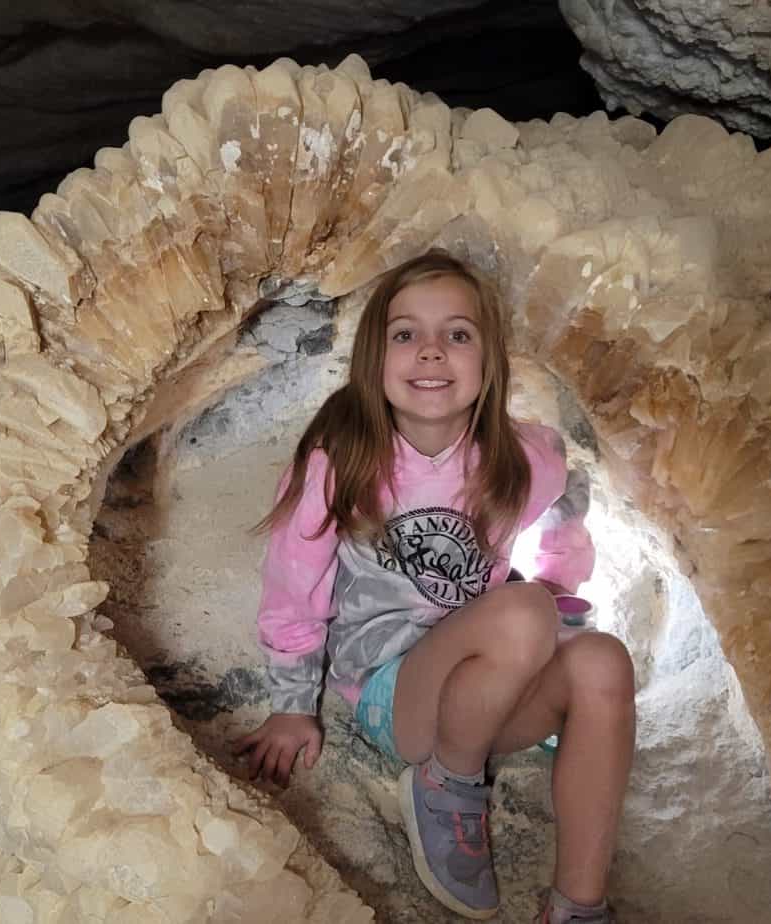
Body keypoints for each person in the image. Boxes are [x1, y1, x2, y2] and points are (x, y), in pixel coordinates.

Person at [232, 250, 636, 923]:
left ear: (489, 361)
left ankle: (576, 905)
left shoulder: (525, 455)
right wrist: (293, 703)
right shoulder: (345, 459)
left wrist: (560, 580)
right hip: (400, 700)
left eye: (457, 334)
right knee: (523, 614)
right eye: (405, 334)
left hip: (497, 685)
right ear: (374, 358)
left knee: (602, 662)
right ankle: (446, 785)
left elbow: (568, 493)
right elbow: (292, 586)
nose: (430, 352)